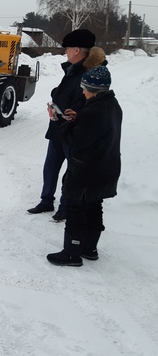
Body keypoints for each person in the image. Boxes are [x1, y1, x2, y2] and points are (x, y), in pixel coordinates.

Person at [47, 65, 122, 266]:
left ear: (94, 90)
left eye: (85, 88)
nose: (82, 91)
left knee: (75, 209)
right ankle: (89, 248)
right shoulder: (111, 105)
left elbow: (75, 141)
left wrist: (58, 121)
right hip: (105, 167)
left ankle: (71, 253)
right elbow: (94, 131)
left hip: (86, 170)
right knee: (93, 206)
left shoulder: (94, 111)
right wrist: (78, 118)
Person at [27, 28, 106, 221]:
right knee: (50, 167)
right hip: (59, 126)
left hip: (75, 131)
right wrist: (56, 104)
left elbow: (92, 105)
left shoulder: (92, 74)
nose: (65, 52)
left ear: (77, 50)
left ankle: (65, 206)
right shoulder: (73, 69)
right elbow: (65, 93)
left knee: (72, 171)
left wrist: (72, 115)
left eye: (68, 48)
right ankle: (46, 200)